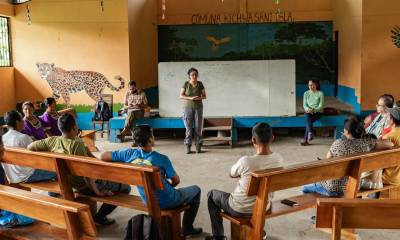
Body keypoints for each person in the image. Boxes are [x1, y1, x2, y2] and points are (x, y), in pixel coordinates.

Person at [99, 124, 203, 237]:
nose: (154, 137)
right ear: (149, 140)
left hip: (147, 199)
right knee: (196, 190)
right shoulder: (162, 159)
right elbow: (176, 180)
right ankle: (187, 228)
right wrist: (169, 186)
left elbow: (103, 156)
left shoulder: (128, 154)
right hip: (168, 199)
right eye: (152, 135)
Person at [28, 113, 131, 226]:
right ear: (74, 128)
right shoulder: (78, 144)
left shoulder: (52, 140)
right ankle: (99, 217)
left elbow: (30, 147)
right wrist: (97, 191)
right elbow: (87, 174)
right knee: (126, 188)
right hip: (83, 187)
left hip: (65, 182)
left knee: (108, 177)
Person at [206, 123, 284, 240]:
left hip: (239, 208)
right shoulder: (279, 159)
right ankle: (258, 230)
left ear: (253, 140)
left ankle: (218, 236)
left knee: (211, 195)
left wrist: (243, 177)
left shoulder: (246, 161)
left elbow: (231, 173)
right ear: (272, 138)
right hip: (264, 207)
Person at [302, 117, 393, 197]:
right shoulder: (366, 143)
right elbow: (390, 144)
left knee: (305, 188)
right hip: (353, 185)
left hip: (333, 187)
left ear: (346, 131)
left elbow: (327, 162)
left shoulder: (338, 143)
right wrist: (368, 140)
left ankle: (320, 214)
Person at [2, 110, 57, 183]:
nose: (23, 122)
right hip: (27, 176)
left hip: (11, 177)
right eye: (22, 119)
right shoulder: (23, 137)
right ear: (17, 122)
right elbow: (39, 155)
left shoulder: (2, 138)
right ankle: (54, 192)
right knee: (58, 170)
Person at [179, 67, 207, 154]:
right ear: (189, 76)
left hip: (198, 107)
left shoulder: (200, 84)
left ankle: (198, 146)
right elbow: (181, 95)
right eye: (192, 75)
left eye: (195, 75)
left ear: (197, 75)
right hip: (187, 108)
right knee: (188, 128)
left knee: (198, 127)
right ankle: (188, 146)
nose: (194, 76)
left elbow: (205, 96)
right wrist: (190, 98)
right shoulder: (186, 84)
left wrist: (198, 98)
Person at [301, 80, 324, 146]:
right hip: (308, 112)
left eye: (312, 85)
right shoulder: (306, 93)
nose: (310, 86)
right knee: (308, 116)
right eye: (309, 85)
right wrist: (308, 109)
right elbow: (304, 105)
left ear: (316, 85)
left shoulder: (320, 93)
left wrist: (314, 110)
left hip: (318, 112)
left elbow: (321, 106)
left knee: (308, 122)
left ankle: (306, 139)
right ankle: (310, 133)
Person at [382, 107, 400, 186]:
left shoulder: (388, 137)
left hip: (390, 179)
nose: (386, 117)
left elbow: (381, 161)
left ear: (392, 120)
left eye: (388, 116)